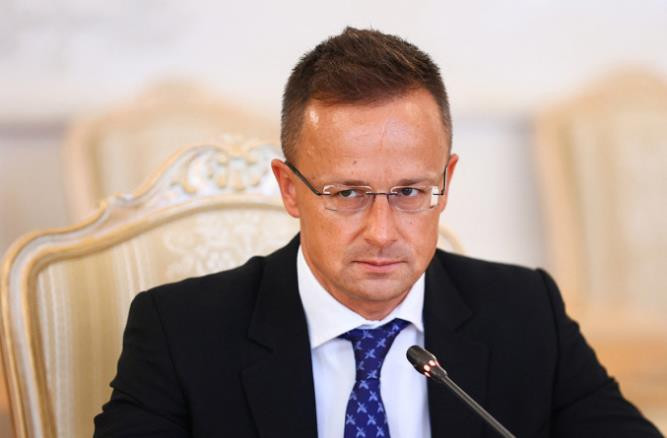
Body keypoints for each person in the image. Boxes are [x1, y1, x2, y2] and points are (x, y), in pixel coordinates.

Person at [94, 27, 662, 437]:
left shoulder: (526, 312)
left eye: (410, 192)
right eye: (347, 194)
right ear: (289, 189)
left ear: (446, 181)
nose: (382, 232)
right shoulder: (180, 332)